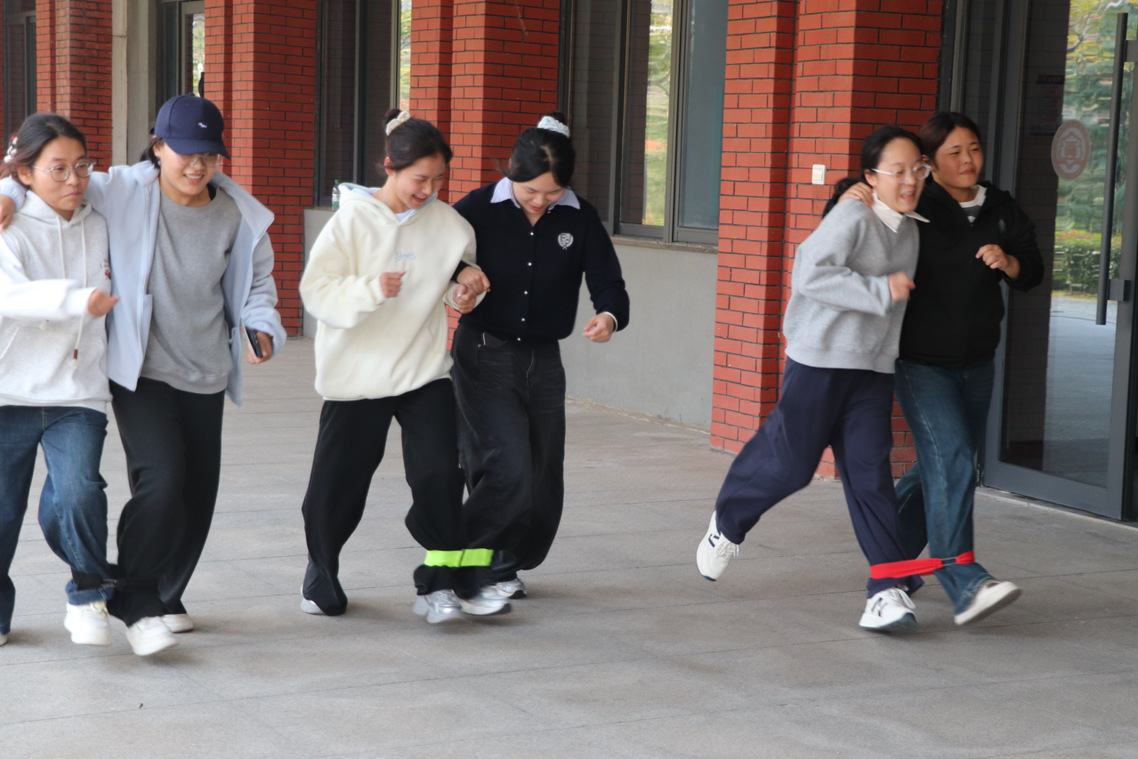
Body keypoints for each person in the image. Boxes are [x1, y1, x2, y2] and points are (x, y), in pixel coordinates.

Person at [0, 94, 285, 655]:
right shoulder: (125, 190)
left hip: (205, 369)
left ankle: (160, 591)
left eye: (208, 154)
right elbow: (50, 176)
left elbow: (257, 284)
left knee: (195, 494)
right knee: (161, 481)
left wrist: (261, 323)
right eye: (184, 152)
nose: (196, 165)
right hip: (142, 370)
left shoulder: (238, 213)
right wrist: (5, 191)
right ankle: (133, 597)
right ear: (158, 149)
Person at [696, 125, 928, 633]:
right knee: (791, 465)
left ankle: (886, 591)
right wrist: (879, 289)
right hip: (820, 361)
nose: (911, 179)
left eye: (919, 169)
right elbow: (809, 273)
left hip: (870, 369)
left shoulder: (911, 226)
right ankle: (728, 522)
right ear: (872, 175)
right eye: (899, 170)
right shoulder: (853, 213)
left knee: (871, 476)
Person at [298, 110, 509, 623]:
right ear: (390, 167)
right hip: (357, 375)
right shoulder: (349, 221)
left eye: (439, 180)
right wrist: (371, 289)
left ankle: (439, 584)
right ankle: (321, 574)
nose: (429, 189)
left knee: (440, 473)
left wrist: (468, 289)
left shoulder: (451, 225)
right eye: (420, 179)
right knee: (336, 489)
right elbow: (315, 292)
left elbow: (460, 285)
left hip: (421, 372)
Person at [838, 112, 1043, 625]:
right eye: (954, 152)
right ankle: (964, 580)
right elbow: (865, 190)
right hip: (919, 360)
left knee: (939, 469)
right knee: (951, 457)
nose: (968, 160)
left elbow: (1032, 268)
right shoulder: (917, 201)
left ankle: (894, 570)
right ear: (929, 162)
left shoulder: (999, 206)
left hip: (977, 361)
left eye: (973, 148)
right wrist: (848, 193)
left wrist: (1010, 263)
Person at [450, 113, 630, 600]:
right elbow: (441, 264)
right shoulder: (477, 209)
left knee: (543, 468)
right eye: (531, 190)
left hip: (543, 359)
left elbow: (608, 280)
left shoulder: (579, 216)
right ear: (511, 172)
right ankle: (472, 562)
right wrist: (457, 287)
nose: (539, 201)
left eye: (551, 193)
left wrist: (609, 316)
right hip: (484, 351)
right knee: (503, 461)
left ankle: (509, 562)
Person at [0, 114, 117, 647]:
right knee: (3, 514)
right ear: (25, 173)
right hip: (9, 393)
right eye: (58, 169)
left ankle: (88, 592)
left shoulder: (100, 219)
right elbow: (10, 296)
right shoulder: (10, 225)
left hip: (78, 391)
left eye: (82, 166)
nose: (74, 180)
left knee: (78, 492)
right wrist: (75, 300)